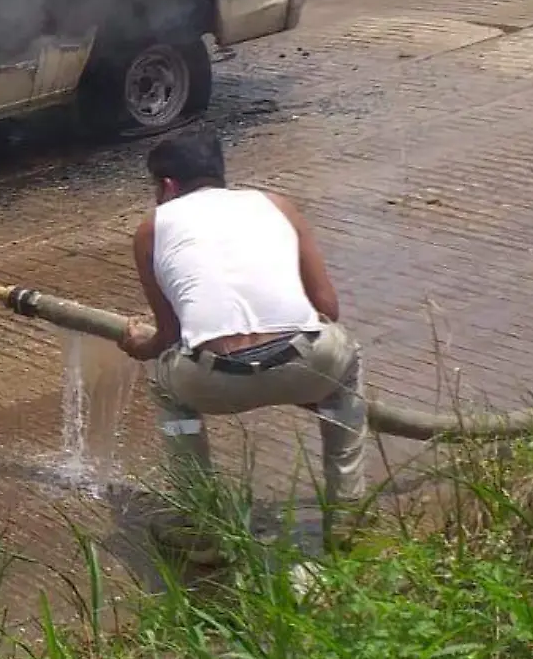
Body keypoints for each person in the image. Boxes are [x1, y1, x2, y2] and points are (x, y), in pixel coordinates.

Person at [116, 129, 367, 557]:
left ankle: (200, 523)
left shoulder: (151, 229)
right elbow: (328, 306)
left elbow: (169, 337)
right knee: (346, 372)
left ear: (168, 186)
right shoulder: (276, 204)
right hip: (308, 363)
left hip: (213, 381)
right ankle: (348, 517)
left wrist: (140, 344)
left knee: (165, 385)